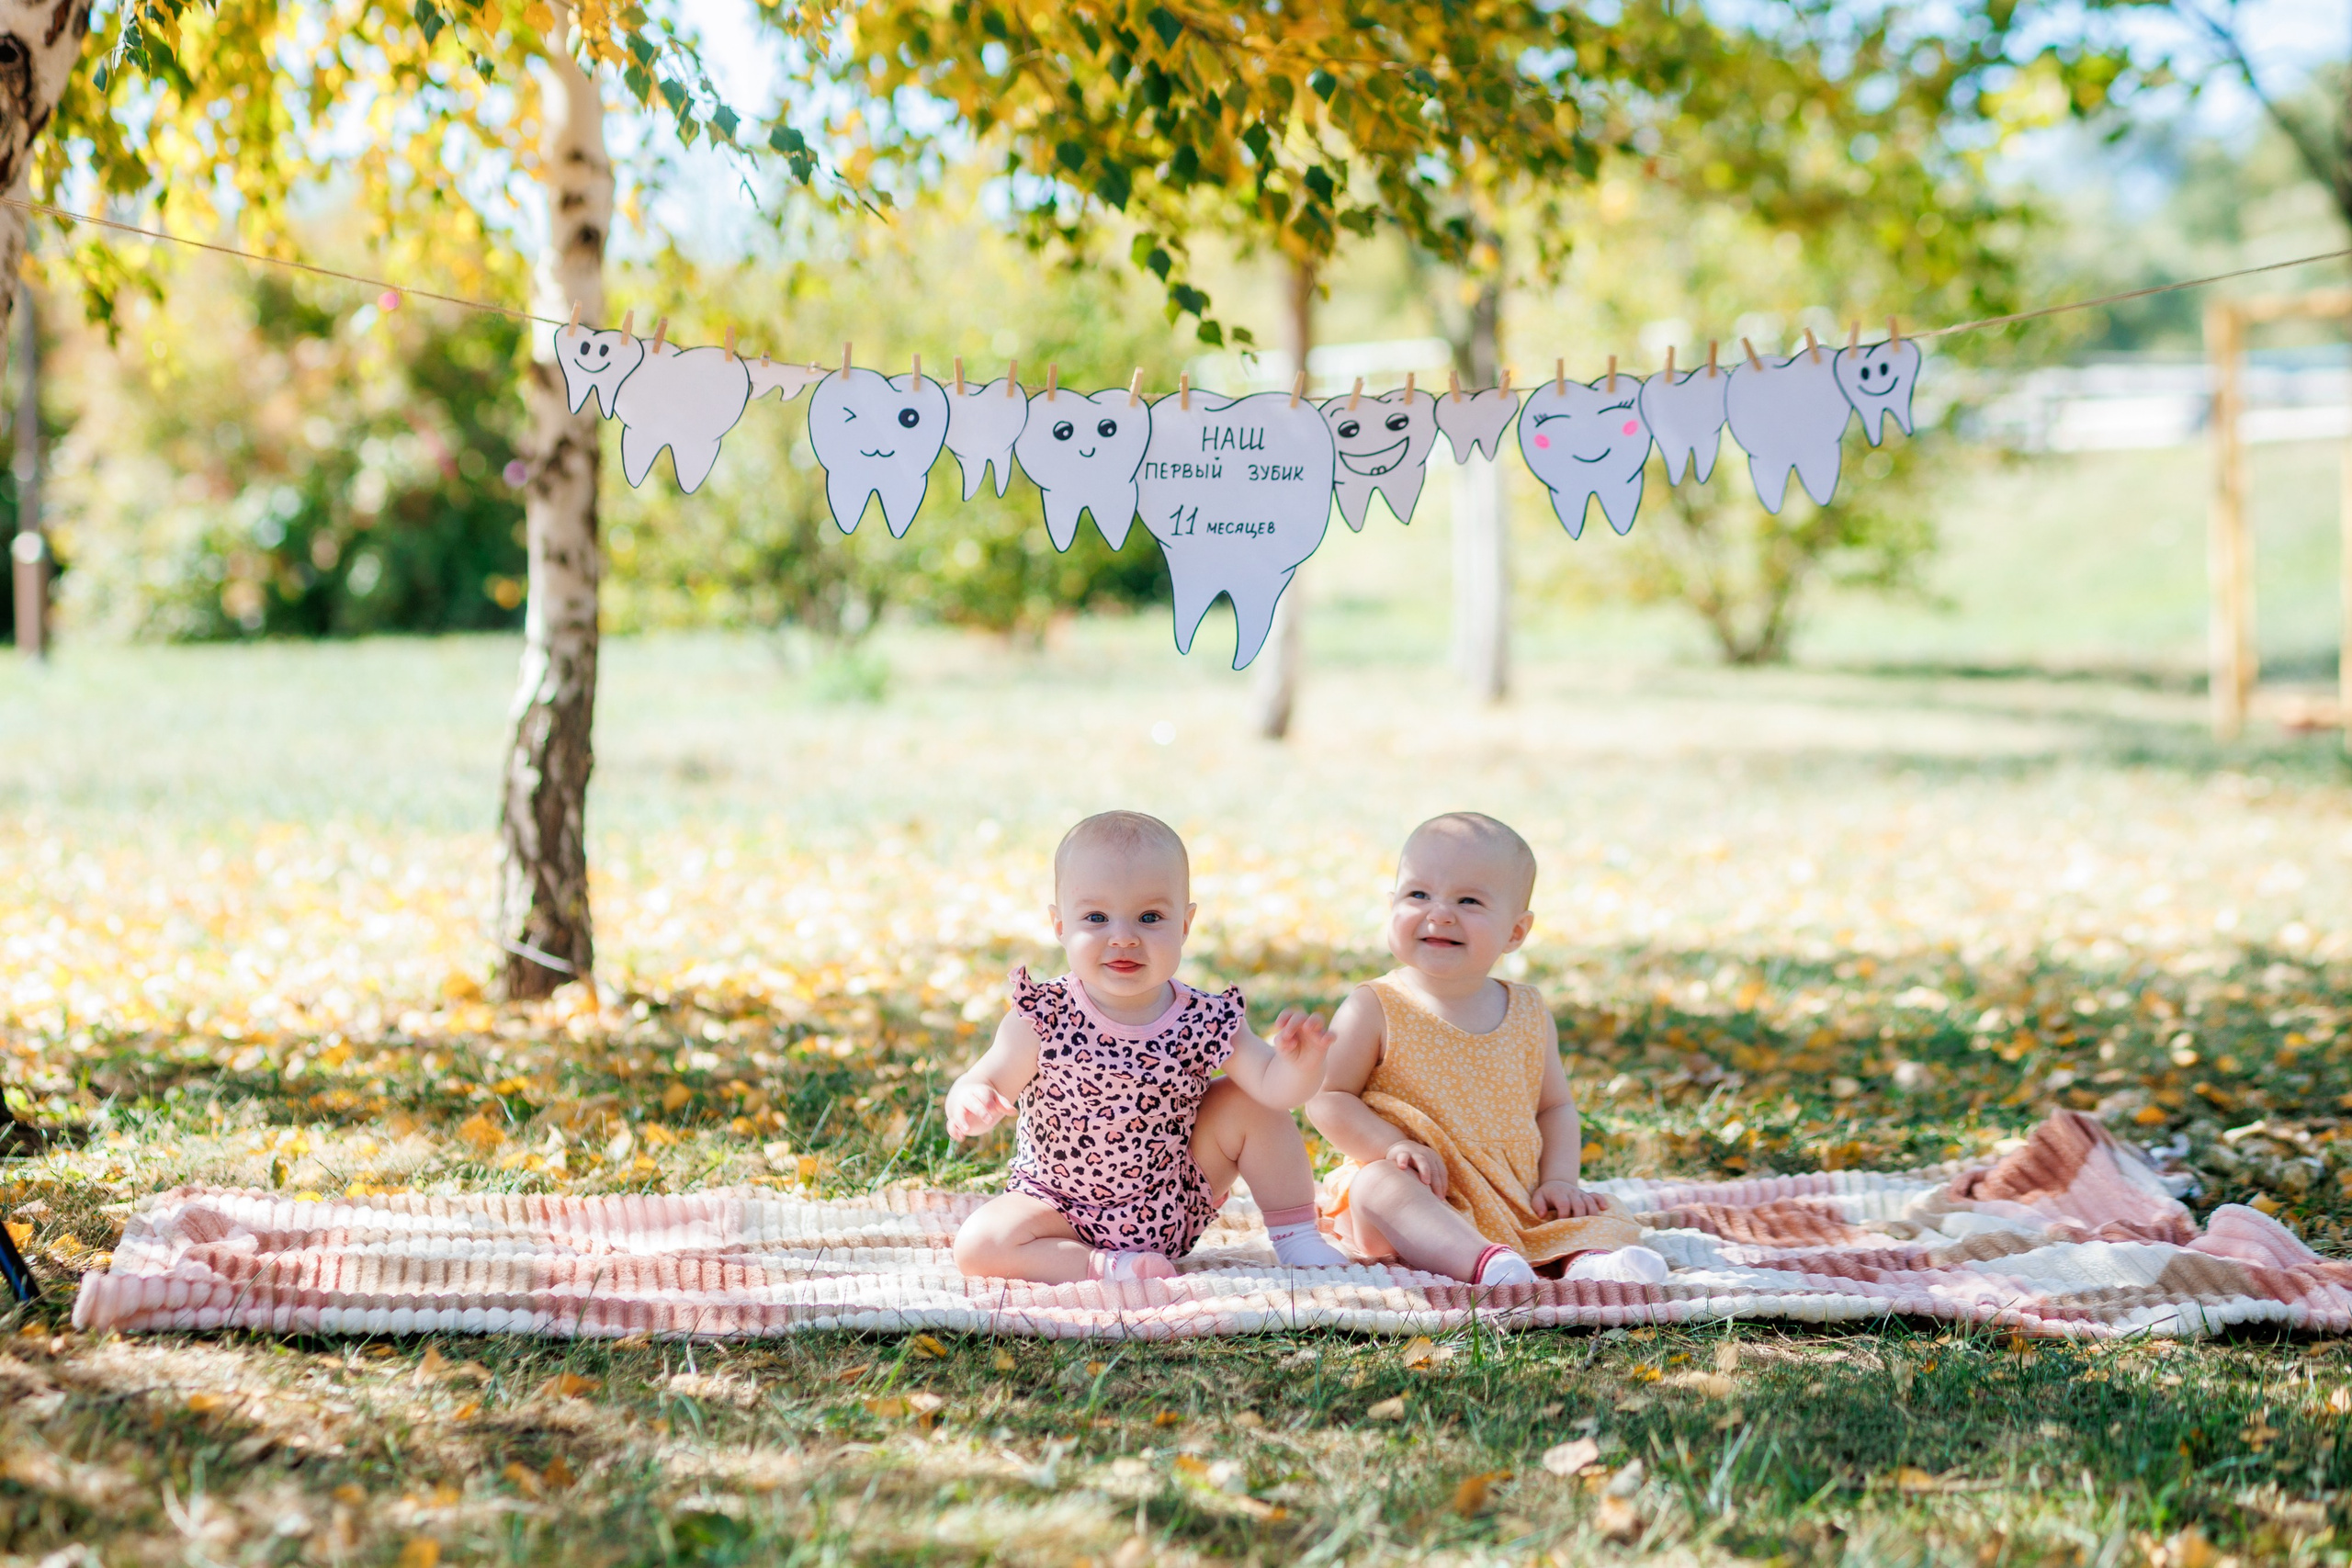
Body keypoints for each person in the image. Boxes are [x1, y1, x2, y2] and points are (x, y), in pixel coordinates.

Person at [944, 810, 1351, 1283]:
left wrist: (1300, 1066)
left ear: (1185, 924)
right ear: (1059, 926)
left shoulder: (1204, 1018)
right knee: (978, 1245)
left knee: (1250, 1102)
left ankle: (1298, 1236)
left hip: (1169, 1201)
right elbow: (986, 1077)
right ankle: (1102, 1267)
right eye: (1096, 917)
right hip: (1056, 1205)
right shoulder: (1044, 1014)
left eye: (1150, 917)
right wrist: (970, 1100)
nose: (1123, 936)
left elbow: (1277, 1090)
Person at [1307, 812, 1670, 1287]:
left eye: (1469, 900)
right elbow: (1327, 1097)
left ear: (1516, 932)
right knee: (1378, 1185)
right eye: (1418, 894)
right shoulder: (1376, 1006)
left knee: (1594, 1210)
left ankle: (1587, 1264)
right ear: (1391, 904)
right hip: (1417, 1191)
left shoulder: (1527, 1011)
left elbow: (1555, 1107)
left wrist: (1560, 1180)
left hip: (1512, 1194)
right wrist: (1391, 1145)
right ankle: (1486, 1265)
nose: (1439, 913)